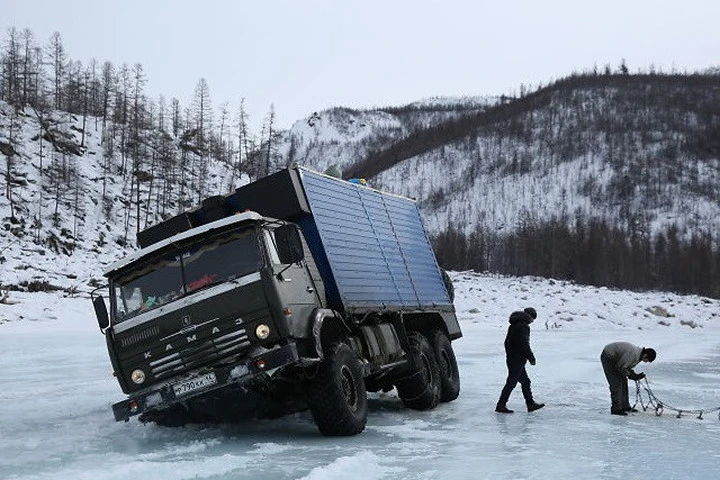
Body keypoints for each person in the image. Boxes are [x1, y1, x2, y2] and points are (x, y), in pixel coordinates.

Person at [495, 307, 545, 413]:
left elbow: (507, 343)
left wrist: (510, 355)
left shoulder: (513, 325)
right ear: (530, 317)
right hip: (517, 360)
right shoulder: (523, 327)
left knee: (525, 381)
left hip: (513, 359)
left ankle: (530, 403)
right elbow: (524, 344)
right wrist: (531, 357)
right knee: (511, 382)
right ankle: (501, 404)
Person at [600, 342, 656, 415]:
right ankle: (616, 409)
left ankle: (625, 406)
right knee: (616, 383)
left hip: (617, 360)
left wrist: (634, 375)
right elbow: (620, 367)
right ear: (645, 355)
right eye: (647, 360)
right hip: (609, 357)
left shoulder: (638, 356)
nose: (646, 362)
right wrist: (632, 376)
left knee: (623, 382)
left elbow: (626, 367)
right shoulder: (633, 354)